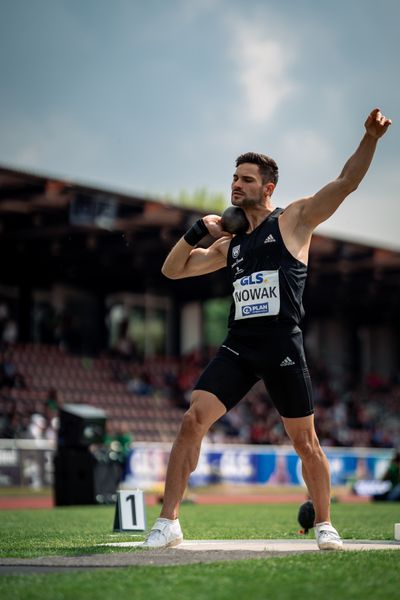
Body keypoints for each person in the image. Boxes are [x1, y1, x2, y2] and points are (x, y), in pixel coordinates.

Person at [143, 108, 392, 551]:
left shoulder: (294, 220)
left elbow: (345, 183)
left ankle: (325, 524)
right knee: (191, 421)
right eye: (234, 178)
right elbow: (172, 270)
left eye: (246, 179)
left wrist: (369, 138)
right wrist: (199, 228)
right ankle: (169, 522)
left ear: (268, 187)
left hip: (281, 344)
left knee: (306, 442)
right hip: (239, 346)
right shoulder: (229, 244)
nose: (236, 185)